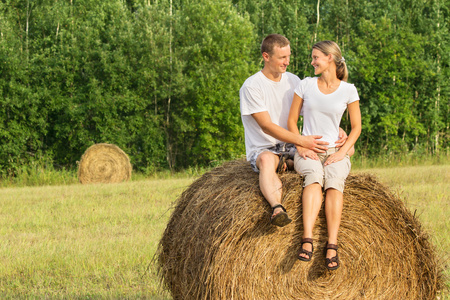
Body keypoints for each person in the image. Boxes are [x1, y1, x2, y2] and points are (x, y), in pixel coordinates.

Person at [239, 34, 348, 228]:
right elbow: (266, 126)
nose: (287, 62)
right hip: (265, 148)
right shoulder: (251, 86)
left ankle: (288, 163)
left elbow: (313, 112)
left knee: (344, 149)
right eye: (282, 58)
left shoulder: (294, 81)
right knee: (267, 160)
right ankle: (277, 208)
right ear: (266, 56)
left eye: (288, 56)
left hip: (295, 146)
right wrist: (301, 141)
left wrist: (337, 129)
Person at [287, 40, 361, 270]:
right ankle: (307, 240)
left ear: (330, 58)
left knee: (334, 182)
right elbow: (291, 121)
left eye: (316, 57)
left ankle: (332, 244)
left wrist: (342, 152)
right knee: (313, 175)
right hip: (307, 148)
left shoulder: (348, 90)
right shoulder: (306, 85)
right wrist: (300, 147)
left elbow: (356, 127)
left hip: (334, 151)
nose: (312, 62)